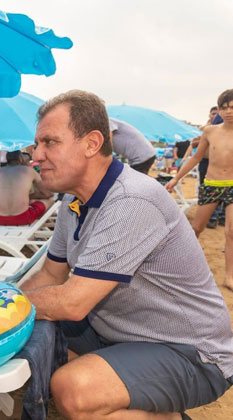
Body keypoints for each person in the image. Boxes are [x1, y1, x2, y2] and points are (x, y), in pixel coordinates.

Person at [22, 90, 233, 419]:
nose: (36, 155)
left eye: (50, 142)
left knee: (72, 391)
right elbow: (50, 274)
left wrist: (4, 304)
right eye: (37, 144)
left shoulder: (132, 199)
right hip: (124, 333)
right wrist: (13, 297)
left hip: (191, 351)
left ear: (92, 143)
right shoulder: (72, 201)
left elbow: (72, 302)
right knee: (46, 346)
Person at [167, 89, 233, 291]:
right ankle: (179, 266)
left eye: (232, 107)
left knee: (231, 232)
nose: (229, 111)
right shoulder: (210, 131)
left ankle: (229, 276)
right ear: (219, 111)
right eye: (224, 107)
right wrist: (177, 177)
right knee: (196, 228)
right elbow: (196, 158)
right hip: (211, 185)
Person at [0, 150, 53, 226]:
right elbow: (47, 194)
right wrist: (28, 196)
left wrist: (0, 203)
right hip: (23, 218)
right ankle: (39, 221)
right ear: (20, 159)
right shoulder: (29, 171)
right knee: (49, 201)